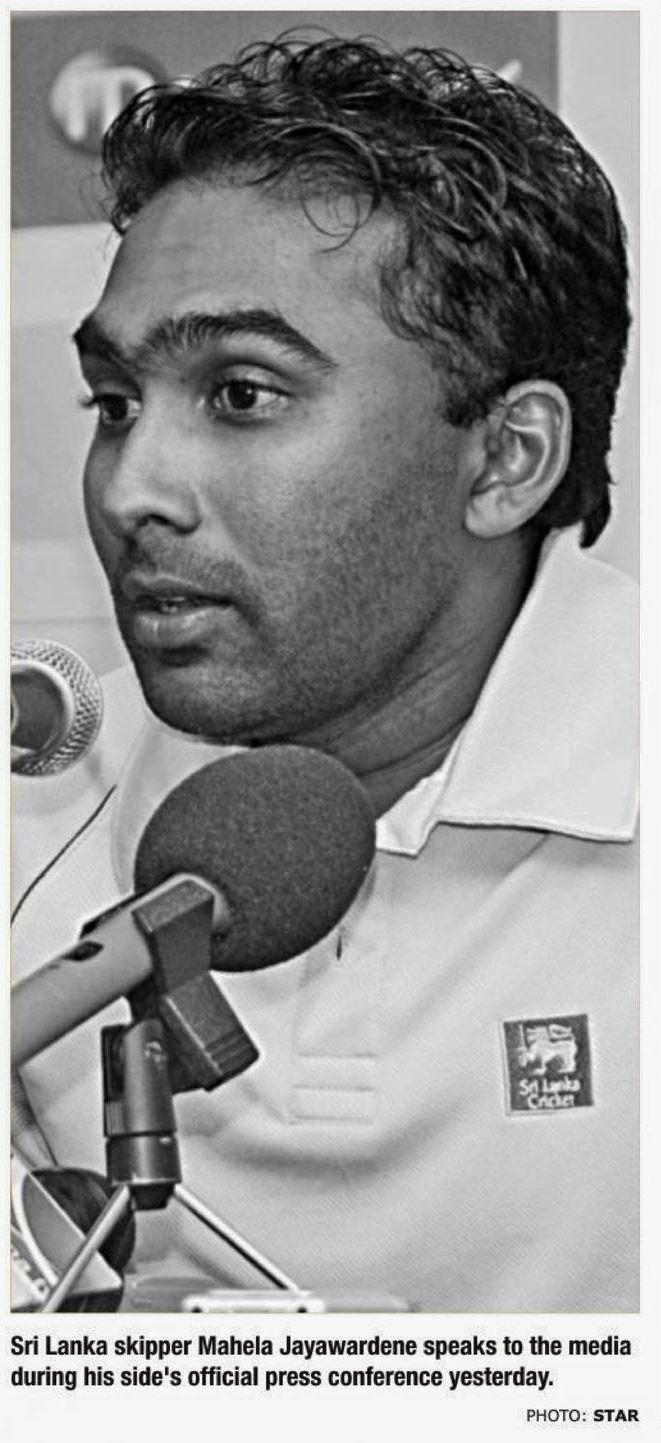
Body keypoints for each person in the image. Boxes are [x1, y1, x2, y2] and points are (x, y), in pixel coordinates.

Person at [11, 37, 638, 1311]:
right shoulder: (38, 796)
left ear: (505, 458)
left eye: (240, 395)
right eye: (115, 402)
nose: (130, 492)